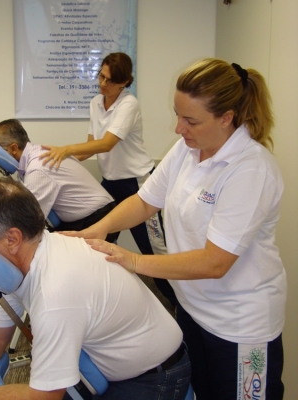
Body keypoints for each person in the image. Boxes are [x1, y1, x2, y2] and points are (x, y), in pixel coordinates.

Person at [62, 58, 287, 400]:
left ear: (226, 117)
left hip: (240, 326)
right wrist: (96, 230)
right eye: (178, 115)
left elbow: (215, 262)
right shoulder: (188, 149)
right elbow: (145, 202)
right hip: (193, 310)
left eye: (191, 120)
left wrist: (133, 261)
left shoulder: (251, 169)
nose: (179, 129)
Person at [0, 177, 191, 400]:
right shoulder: (26, 258)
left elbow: (44, 396)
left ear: (12, 239)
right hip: (107, 361)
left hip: (155, 378)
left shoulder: (55, 292)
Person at [39, 52, 175, 304]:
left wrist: (66, 149)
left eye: (110, 80)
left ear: (124, 82)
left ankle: (179, 303)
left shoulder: (128, 104)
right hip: (111, 183)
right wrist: (54, 163)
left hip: (138, 184)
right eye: (101, 76)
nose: (103, 83)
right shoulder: (95, 103)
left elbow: (107, 143)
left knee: (153, 249)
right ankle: (94, 297)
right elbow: (90, 147)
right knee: (95, 239)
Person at [0, 118, 118, 242]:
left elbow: (27, 219)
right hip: (87, 217)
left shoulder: (38, 168)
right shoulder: (35, 156)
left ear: (13, 148)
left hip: (97, 219)